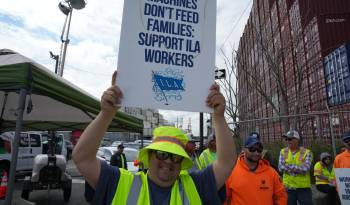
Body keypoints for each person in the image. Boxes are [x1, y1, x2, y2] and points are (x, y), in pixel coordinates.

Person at [72, 71, 237, 205]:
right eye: (162, 154)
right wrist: (106, 114)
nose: (169, 161)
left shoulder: (196, 186)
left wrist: (219, 118)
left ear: (182, 164)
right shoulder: (121, 183)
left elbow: (226, 162)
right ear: (149, 156)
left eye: (176, 156)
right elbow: (82, 158)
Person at [225, 132, 287, 205]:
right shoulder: (231, 172)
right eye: (252, 149)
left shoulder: (271, 173)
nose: (256, 152)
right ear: (244, 149)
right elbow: (224, 199)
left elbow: (281, 196)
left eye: (259, 149)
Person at [278, 130, 313, 205]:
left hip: (303, 188)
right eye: (286, 139)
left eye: (290, 139)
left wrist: (287, 166)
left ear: (297, 140)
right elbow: (280, 168)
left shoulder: (307, 152)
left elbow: (305, 169)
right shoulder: (283, 151)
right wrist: (297, 168)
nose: (288, 141)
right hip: (288, 188)